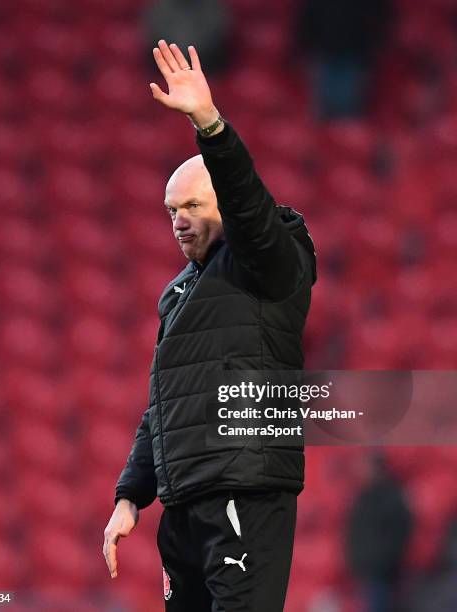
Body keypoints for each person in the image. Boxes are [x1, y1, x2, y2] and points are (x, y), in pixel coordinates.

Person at [103, 40, 316, 611]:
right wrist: (130, 495)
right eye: (170, 210)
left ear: (225, 202)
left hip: (241, 487)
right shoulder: (177, 292)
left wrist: (210, 126)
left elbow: (251, 209)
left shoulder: (272, 258)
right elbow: (165, 403)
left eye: (191, 206)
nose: (177, 221)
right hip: (183, 504)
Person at [345, 452, 413, 612]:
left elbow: (400, 532)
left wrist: (384, 560)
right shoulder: (363, 495)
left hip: (383, 572)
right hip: (363, 569)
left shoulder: (391, 495)